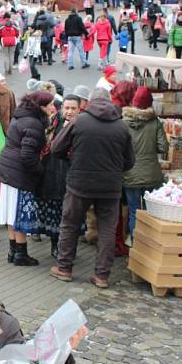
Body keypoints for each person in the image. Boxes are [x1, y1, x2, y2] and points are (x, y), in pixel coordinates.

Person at [50, 88, 135, 288]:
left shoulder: (79, 121)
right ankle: (102, 276)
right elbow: (130, 161)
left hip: (80, 183)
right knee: (107, 230)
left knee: (70, 224)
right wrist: (114, 170)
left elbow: (56, 148)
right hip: (110, 187)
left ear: (87, 103)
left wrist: (72, 159)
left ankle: (64, 268)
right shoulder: (122, 127)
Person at [0, 91, 55, 266]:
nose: (52, 108)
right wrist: (40, 170)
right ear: (40, 106)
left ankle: (13, 251)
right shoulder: (33, 123)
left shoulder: (21, 116)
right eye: (49, 104)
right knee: (18, 215)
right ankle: (21, 253)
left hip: (7, 170)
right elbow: (27, 155)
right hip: (18, 174)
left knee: (11, 214)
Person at [122, 87, 168, 242]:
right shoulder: (155, 122)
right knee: (150, 212)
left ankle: (136, 247)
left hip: (130, 173)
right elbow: (163, 147)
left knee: (134, 211)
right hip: (151, 174)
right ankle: (149, 247)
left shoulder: (123, 122)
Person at [37, 95, 78, 259]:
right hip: (52, 173)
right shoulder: (53, 123)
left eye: (73, 108)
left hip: (72, 174)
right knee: (54, 213)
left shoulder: (81, 125)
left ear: (79, 109)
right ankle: (55, 245)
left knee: (69, 214)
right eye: (67, 108)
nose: (69, 112)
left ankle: (68, 246)